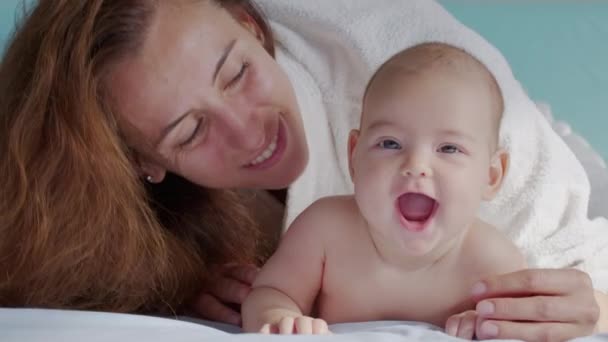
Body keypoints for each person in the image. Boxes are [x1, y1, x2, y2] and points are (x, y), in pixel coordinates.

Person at [0, 0, 605, 340]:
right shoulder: (129, 207)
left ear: (249, 23)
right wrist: (185, 278)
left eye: (237, 72)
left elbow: (574, 248)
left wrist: (593, 300)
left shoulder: (411, 90)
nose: (250, 129)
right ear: (143, 165)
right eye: (190, 131)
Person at [242, 42, 526, 338]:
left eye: (449, 148)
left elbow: (519, 323)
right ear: (354, 156)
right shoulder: (324, 231)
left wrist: (485, 322)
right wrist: (278, 315)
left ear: (491, 176)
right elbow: (270, 291)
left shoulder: (494, 262)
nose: (416, 165)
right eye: (390, 143)